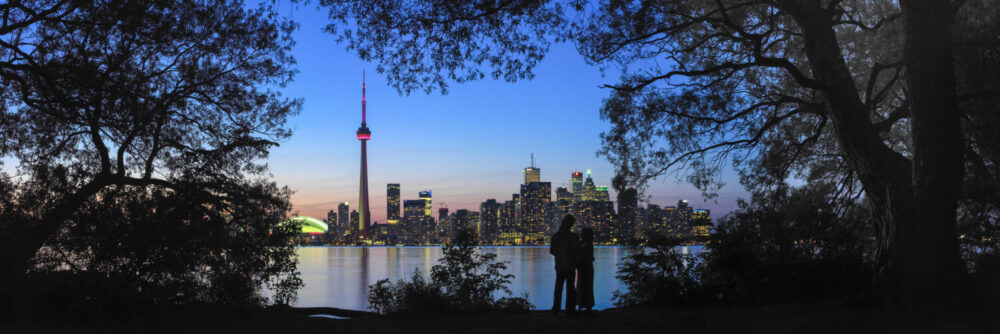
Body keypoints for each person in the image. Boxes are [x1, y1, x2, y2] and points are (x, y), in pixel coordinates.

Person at [550, 214, 580, 315]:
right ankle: (570, 309)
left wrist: (559, 254)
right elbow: (577, 251)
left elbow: (552, 251)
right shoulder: (573, 237)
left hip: (559, 266)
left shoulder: (555, 236)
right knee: (570, 288)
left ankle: (556, 308)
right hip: (570, 266)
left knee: (558, 288)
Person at [576, 228, 595, 315]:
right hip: (583, 268)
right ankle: (584, 306)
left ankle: (587, 307)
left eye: (583, 233)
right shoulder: (584, 243)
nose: (581, 235)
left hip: (586, 268)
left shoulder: (588, 244)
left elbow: (583, 253)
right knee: (582, 287)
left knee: (587, 287)